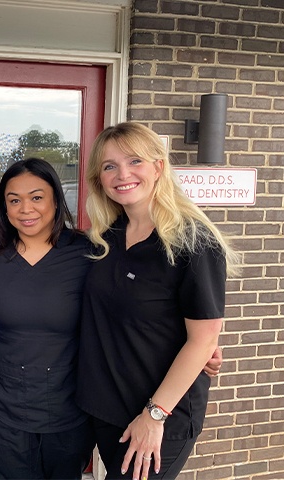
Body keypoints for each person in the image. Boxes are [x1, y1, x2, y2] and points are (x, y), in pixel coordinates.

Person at [76, 122, 238, 480]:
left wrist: (154, 415)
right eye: (109, 166)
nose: (123, 174)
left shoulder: (194, 242)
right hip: (107, 407)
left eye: (135, 161)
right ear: (98, 178)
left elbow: (204, 339)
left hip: (160, 415)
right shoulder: (105, 238)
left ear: (158, 167)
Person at [0, 158, 95, 479]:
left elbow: (126, 309)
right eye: (14, 200)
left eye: (36, 197)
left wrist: (197, 343)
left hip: (68, 409)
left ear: (56, 200)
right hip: (7, 409)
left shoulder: (86, 253)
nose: (25, 209)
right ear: (4, 207)